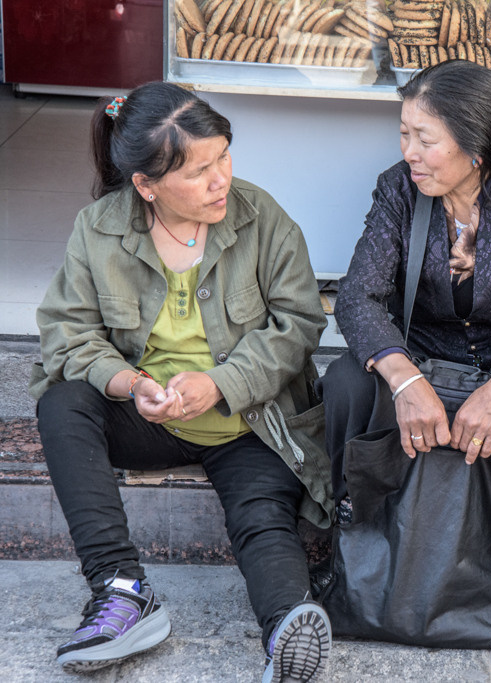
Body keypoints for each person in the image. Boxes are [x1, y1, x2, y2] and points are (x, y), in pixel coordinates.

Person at [30, 82, 333, 682]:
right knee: (62, 402)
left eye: (223, 156)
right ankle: (121, 590)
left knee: (262, 518)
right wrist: (128, 383)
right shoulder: (99, 229)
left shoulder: (261, 215)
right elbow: (67, 335)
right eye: (199, 171)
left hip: (251, 421)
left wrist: (222, 382)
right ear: (146, 185)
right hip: (149, 420)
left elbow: (299, 323)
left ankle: (287, 629)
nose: (220, 179)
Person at [317, 60, 491, 630]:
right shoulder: (398, 190)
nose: (410, 152)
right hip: (418, 354)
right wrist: (403, 377)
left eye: (425, 139)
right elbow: (357, 297)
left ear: (474, 146)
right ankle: (351, 534)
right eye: (404, 134)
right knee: (346, 382)